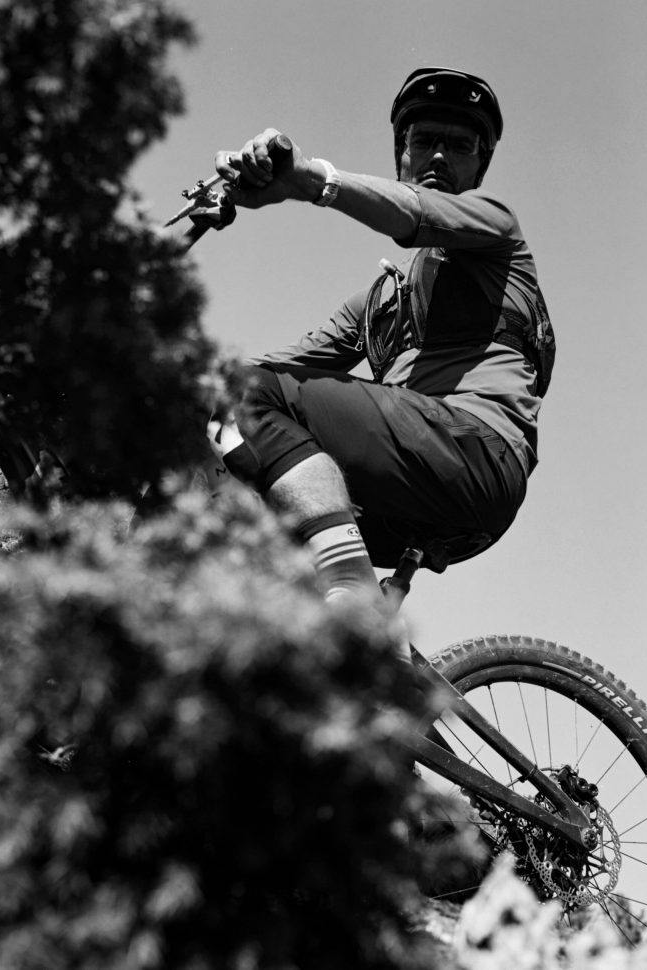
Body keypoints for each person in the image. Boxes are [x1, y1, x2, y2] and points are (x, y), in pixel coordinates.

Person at [208, 67, 555, 615]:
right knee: (229, 485)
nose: (438, 156)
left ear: (479, 167)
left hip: (475, 453)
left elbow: (413, 211)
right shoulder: (378, 302)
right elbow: (272, 369)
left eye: (459, 146)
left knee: (244, 396)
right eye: (424, 141)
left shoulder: (496, 226)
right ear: (402, 154)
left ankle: (350, 599)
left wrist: (307, 178)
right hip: (411, 491)